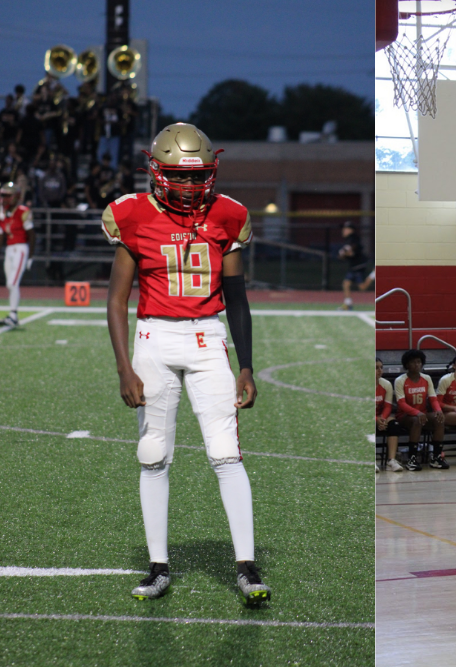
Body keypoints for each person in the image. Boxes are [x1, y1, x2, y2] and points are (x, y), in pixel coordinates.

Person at [103, 122, 270, 604]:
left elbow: (237, 298)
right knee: (153, 454)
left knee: (226, 453)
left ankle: (246, 565)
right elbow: (116, 301)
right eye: (179, 175)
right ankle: (157, 566)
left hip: (207, 339)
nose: (191, 186)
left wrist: (247, 365)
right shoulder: (131, 214)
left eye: (199, 177)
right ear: (156, 171)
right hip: (153, 340)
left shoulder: (229, 214)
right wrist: (123, 366)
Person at [393, 349, 448, 471]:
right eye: (413, 362)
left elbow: (433, 399)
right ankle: (412, 459)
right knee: (417, 420)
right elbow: (401, 403)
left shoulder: (426, 378)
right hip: (405, 416)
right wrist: (417, 413)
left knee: (439, 419)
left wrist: (438, 410)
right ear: (407, 364)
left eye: (419, 362)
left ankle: (436, 457)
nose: (417, 364)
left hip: (422, 414)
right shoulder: (400, 380)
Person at [0, 181, 34, 328]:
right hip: (9, 249)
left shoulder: (22, 210)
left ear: (16, 196)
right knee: (10, 284)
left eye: (8, 195)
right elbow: (2, 236)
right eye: (3, 195)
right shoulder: (3, 212)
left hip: (20, 248)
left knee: (12, 283)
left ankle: (13, 315)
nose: (5, 198)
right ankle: (13, 315)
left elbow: (32, 235)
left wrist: (31, 256)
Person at [376, 357, 404, 472]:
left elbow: (388, 406)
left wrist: (382, 419)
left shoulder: (386, 384)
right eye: (376, 368)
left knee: (394, 423)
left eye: (381, 367)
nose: (380, 370)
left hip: (380, 417)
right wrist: (376, 419)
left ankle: (391, 460)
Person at [337, 221, 368, 311]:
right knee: (346, 284)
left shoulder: (354, 239)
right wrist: (343, 255)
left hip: (359, 266)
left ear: (351, 230)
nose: (343, 231)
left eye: (346, 229)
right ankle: (348, 305)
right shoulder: (348, 240)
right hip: (353, 266)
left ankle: (373, 274)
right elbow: (345, 254)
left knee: (362, 287)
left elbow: (354, 249)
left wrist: (346, 252)